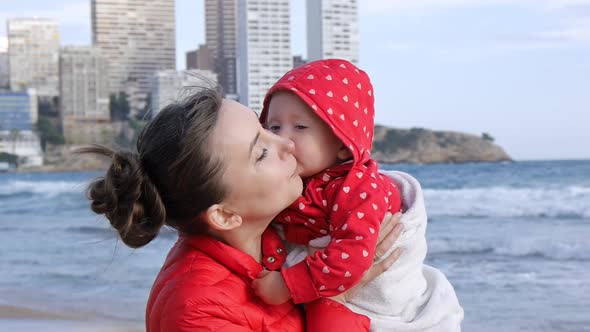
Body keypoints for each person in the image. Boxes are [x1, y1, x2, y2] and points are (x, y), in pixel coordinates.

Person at [80, 87, 404, 332]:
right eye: (261, 151)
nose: (287, 144)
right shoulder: (196, 311)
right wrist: (334, 298)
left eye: (267, 128)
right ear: (224, 215)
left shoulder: (282, 236)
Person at [255, 59, 464, 331]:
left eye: (300, 127)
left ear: (343, 145)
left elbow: (351, 256)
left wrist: (287, 285)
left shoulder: (361, 189)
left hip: (383, 307)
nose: (283, 139)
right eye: (274, 127)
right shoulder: (300, 181)